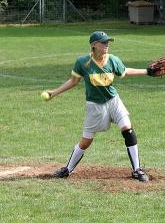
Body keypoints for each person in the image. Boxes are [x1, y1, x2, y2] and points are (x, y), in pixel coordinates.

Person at [45, 31, 155, 182]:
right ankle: (67, 169)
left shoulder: (113, 60)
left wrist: (147, 71)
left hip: (113, 100)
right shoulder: (83, 62)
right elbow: (73, 81)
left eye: (108, 42)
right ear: (94, 45)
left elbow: (124, 71)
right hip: (95, 106)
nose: (107, 45)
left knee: (127, 129)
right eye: (103, 42)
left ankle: (136, 169)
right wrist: (54, 93)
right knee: (86, 141)